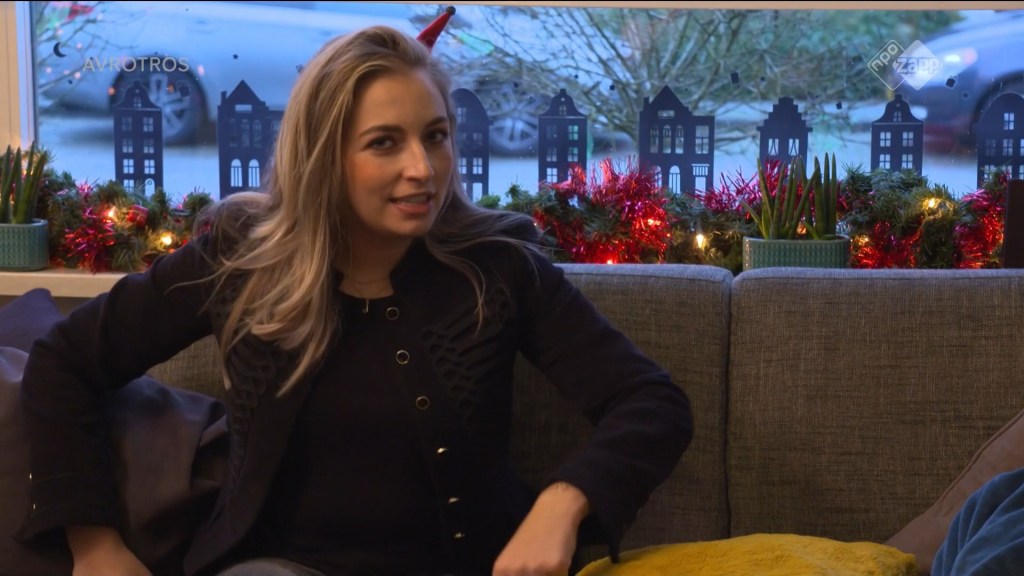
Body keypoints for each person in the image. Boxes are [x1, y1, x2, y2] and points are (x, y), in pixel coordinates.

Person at [16, 16, 693, 576]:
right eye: (384, 143)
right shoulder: (242, 260)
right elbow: (63, 363)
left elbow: (652, 402)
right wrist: (94, 546)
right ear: (324, 157)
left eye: (435, 136)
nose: (422, 169)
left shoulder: (498, 266)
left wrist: (562, 505)